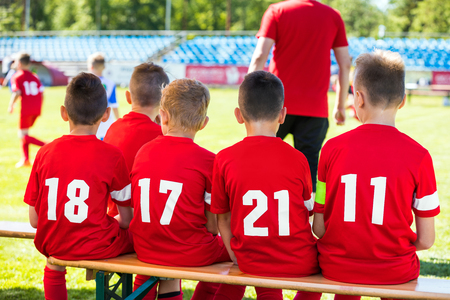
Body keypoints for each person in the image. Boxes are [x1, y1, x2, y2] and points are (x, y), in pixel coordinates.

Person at [313, 50, 440, 300]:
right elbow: (426, 240)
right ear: (403, 100)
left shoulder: (331, 149)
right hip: (395, 270)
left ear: (358, 99)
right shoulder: (420, 156)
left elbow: (319, 227)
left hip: (338, 267)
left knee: (348, 284)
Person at [24, 72, 134, 300]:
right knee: (142, 237)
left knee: (54, 262)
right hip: (96, 243)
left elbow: (35, 220)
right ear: (105, 115)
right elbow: (126, 219)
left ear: (64, 113)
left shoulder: (44, 153)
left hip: (52, 241)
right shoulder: (112, 155)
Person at [211, 71, 320, 300]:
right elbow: (307, 211)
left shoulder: (224, 158)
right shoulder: (298, 158)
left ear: (238, 115)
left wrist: (234, 254)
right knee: (321, 274)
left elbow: (222, 217)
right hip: (298, 261)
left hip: (250, 258)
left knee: (260, 268)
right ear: (282, 115)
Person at [130, 79, 236, 300]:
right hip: (189, 250)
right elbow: (212, 226)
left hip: (145, 246)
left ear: (163, 115)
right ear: (203, 123)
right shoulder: (209, 161)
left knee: (162, 261)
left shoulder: (143, 152)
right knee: (239, 251)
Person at [248, 0, 352, 192]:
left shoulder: (277, 11)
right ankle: (308, 218)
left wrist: (247, 99)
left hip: (275, 106)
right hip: (315, 109)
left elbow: (259, 57)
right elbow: (345, 64)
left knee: (261, 159)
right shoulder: (333, 16)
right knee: (309, 169)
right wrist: (340, 106)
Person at [104, 62, 169, 217]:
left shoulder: (112, 129)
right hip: (148, 224)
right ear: (164, 101)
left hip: (115, 220)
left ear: (128, 97)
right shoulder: (163, 137)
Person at [8, 52, 45, 168]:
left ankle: (47, 145)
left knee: (22, 135)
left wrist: (11, 105)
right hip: (36, 108)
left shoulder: (17, 76)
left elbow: (17, 92)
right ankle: (26, 160)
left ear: (18, 63)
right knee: (25, 133)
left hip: (26, 109)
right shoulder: (35, 76)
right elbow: (42, 93)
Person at [87, 52, 119, 140]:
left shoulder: (86, 83)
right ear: (104, 67)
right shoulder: (111, 84)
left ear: (91, 67)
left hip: (88, 121)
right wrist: (118, 120)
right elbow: (114, 104)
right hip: (106, 121)